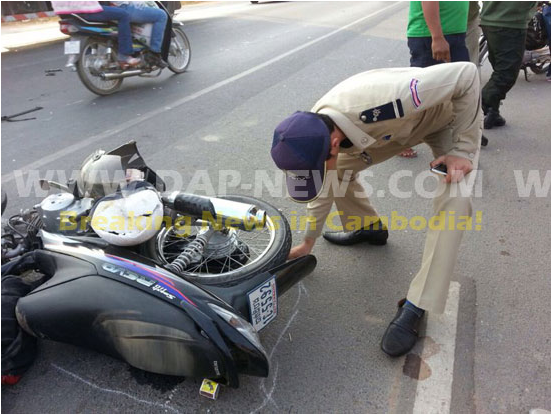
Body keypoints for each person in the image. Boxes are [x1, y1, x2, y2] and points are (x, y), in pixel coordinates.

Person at [271, 61, 481, 357]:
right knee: (337, 171)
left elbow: (467, 74)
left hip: (443, 119)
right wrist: (308, 242)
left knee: (456, 199)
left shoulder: (391, 99)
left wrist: (462, 149)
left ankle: (418, 302)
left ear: (334, 143)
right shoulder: (309, 131)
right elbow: (326, 183)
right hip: (393, 132)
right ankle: (369, 228)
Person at [398, 1, 470, 159]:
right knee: (420, 96)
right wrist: (437, 37)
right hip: (431, 36)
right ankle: (399, 139)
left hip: (455, 34)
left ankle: (458, 140)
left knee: (460, 89)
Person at [480, 1, 537, 129]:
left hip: (491, 19)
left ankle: (493, 111)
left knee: (500, 70)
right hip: (509, 22)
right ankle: (479, 105)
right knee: (506, 74)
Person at [51, 1, 139, 67]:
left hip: (63, 12)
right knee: (123, 15)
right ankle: (125, 54)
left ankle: (91, 51)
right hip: (83, 9)